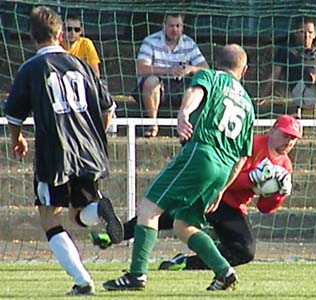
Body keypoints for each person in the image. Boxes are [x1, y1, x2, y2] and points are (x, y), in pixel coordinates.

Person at [102, 44, 254, 292]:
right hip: (223, 169)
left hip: (201, 153)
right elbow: (242, 157)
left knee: (149, 208)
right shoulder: (247, 103)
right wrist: (221, 189)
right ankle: (224, 271)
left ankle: (136, 275)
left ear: (217, 63)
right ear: (244, 70)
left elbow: (196, 91)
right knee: (183, 225)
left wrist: (184, 113)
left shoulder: (210, 76)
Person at [4, 6, 123, 296]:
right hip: (89, 151)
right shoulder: (82, 64)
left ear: (32, 37)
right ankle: (99, 210)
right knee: (78, 213)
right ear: (60, 34)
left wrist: (16, 139)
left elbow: (14, 116)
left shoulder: (30, 69)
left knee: (49, 216)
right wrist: (96, 133)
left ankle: (83, 281)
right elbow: (108, 108)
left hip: (55, 153)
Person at [90, 115, 302, 271]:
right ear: (273, 129)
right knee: (160, 217)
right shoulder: (251, 144)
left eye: (293, 139)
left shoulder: (285, 165)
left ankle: (185, 263)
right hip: (209, 192)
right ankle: (113, 236)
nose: (289, 142)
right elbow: (226, 177)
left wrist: (279, 195)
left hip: (231, 207)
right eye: (286, 135)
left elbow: (264, 208)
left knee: (245, 251)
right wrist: (252, 178)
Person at [133, 13, 209, 137]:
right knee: (151, 81)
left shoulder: (189, 43)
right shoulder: (150, 41)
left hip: (180, 85)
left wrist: (190, 69)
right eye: (171, 26)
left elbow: (206, 69)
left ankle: (188, 125)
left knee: (198, 85)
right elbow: (141, 69)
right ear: (164, 26)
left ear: (183, 27)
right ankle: (152, 124)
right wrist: (168, 71)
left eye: (178, 26)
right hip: (158, 84)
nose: (175, 29)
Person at [260, 16, 316, 111]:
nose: (306, 36)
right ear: (296, 33)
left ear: (315, 34)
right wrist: (262, 96)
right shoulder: (286, 50)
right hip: (302, 92)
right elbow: (274, 76)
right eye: (302, 32)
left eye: (310, 33)